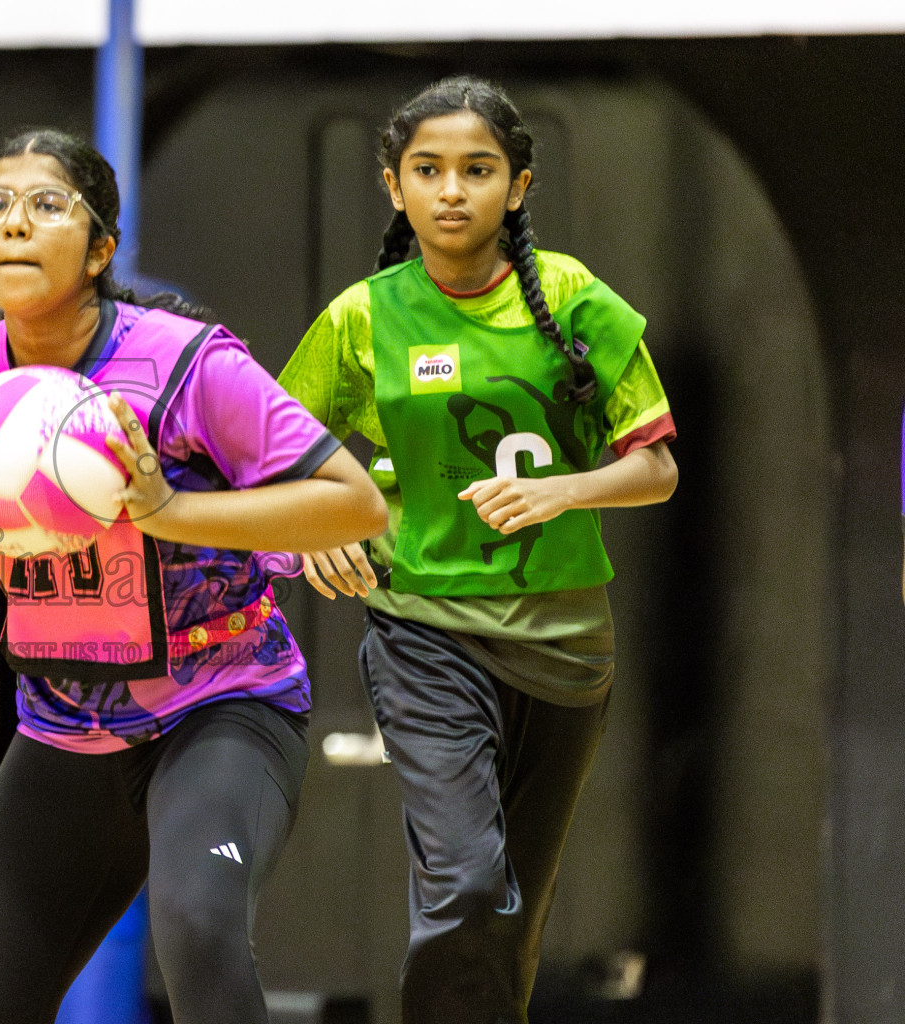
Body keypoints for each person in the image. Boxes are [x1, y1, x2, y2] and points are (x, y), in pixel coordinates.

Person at [0, 129, 386, 1024]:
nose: (15, 224)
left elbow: (352, 504)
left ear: (101, 249)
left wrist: (166, 511)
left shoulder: (186, 365)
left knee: (199, 929)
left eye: (46, 205)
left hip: (221, 707)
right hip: (64, 731)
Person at [278, 77, 679, 1024]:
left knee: (513, 915)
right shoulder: (362, 318)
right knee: (465, 883)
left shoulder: (573, 298)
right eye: (428, 170)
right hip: (425, 632)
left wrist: (563, 489)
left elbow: (657, 469)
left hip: (567, 645)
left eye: (477, 169)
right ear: (394, 186)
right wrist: (302, 545)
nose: (452, 190)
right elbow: (264, 462)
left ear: (519, 185)